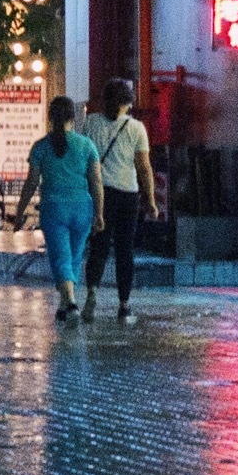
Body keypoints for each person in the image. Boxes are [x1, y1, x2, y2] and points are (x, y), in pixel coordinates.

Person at [80, 79, 157, 321]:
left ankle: (92, 291)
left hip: (99, 193)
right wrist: (151, 200)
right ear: (128, 102)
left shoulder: (90, 123)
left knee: (99, 247)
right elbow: (144, 167)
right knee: (125, 250)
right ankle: (124, 306)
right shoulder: (136, 128)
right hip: (127, 195)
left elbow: (85, 160)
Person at [25, 95, 105, 321]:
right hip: (82, 208)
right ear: (74, 116)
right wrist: (99, 213)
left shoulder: (41, 147)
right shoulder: (87, 145)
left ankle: (69, 301)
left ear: (50, 117)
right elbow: (96, 183)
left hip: (54, 208)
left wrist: (21, 209)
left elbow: (31, 183)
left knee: (60, 256)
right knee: (75, 255)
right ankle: (64, 304)